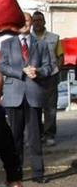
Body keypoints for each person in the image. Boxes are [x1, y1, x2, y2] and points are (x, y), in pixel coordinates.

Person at [0, 14, 53, 183]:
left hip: (34, 94)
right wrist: (21, 71)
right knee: (14, 138)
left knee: (35, 137)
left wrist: (38, 72)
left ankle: (38, 173)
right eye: (21, 22)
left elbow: (49, 67)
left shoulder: (41, 44)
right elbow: (2, 65)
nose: (24, 24)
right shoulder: (6, 44)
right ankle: (15, 175)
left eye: (27, 21)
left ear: (31, 24)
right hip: (14, 95)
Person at [30, 11, 64, 146]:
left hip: (50, 76)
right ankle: (37, 135)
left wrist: (57, 69)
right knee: (34, 107)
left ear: (44, 22)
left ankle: (49, 135)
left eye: (39, 20)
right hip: (33, 78)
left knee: (50, 108)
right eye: (35, 20)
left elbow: (60, 56)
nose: (37, 22)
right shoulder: (27, 39)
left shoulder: (54, 38)